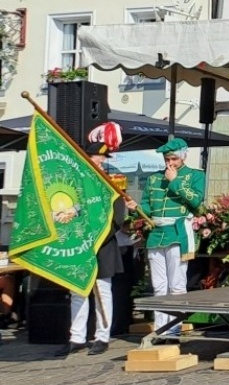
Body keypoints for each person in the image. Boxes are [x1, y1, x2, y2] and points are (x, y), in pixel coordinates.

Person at [58, 143, 134, 356]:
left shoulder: (111, 184)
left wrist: (98, 237)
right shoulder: (76, 184)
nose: (100, 161)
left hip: (102, 245)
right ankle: (77, 337)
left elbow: (117, 218)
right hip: (79, 244)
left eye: (101, 158)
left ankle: (102, 336)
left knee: (102, 291)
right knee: (78, 290)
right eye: (95, 157)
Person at [143, 137, 206, 336]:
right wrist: (138, 211)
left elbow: (196, 201)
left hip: (178, 233)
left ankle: (174, 329)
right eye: (167, 159)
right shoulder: (153, 178)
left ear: (182, 157)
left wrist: (175, 181)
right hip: (156, 234)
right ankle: (161, 329)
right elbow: (147, 203)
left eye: (173, 159)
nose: (170, 163)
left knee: (177, 284)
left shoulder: (195, 175)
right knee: (159, 285)